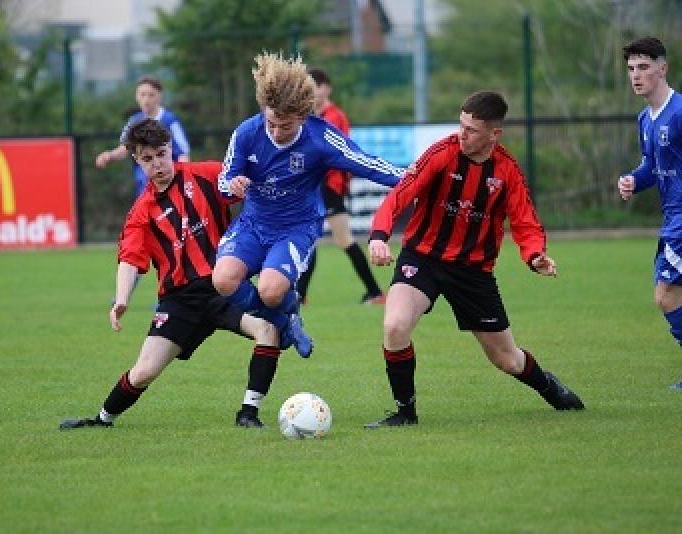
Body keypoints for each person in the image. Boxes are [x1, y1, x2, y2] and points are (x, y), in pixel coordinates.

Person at [363, 91, 585, 428]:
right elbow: (400, 195)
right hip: (423, 259)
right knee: (394, 326)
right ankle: (405, 412)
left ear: (495, 134)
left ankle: (549, 387)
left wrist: (535, 254)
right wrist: (379, 236)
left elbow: (525, 222)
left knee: (508, 360)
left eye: (472, 130)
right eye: (461, 125)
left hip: (472, 273)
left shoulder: (507, 171)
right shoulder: (442, 153)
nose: (462, 134)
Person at [60, 119, 292, 430]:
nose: (157, 164)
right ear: (136, 160)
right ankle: (102, 420)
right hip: (179, 300)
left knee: (268, 331)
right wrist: (121, 299)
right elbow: (130, 259)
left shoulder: (207, 174)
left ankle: (248, 413)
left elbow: (246, 182)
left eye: (161, 154)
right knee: (144, 372)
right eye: (147, 158)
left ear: (171, 149)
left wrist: (242, 185)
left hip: (221, 287)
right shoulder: (141, 212)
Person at [213, 53, 404, 355]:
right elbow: (225, 183)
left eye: (285, 126)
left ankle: (285, 309)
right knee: (223, 280)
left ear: (303, 116)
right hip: (253, 223)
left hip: (296, 227)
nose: (275, 132)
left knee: (271, 290)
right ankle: (285, 322)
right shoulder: (247, 132)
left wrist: (417, 179)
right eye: (271, 122)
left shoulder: (321, 137)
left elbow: (366, 163)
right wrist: (232, 187)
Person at [618, 37, 682, 390]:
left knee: (666, 295)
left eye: (644, 68)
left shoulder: (680, 112)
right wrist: (632, 180)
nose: (636, 76)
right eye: (631, 69)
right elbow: (651, 166)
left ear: (663, 68)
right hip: (672, 220)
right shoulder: (646, 118)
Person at [296, 68, 387, 305]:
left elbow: (339, 153)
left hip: (329, 184)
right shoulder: (309, 116)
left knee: (341, 238)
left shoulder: (334, 116)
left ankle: (375, 292)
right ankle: (301, 293)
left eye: (315, 86)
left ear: (326, 88)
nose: (312, 91)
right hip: (318, 185)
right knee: (316, 237)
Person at [96, 76, 191, 198]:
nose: (146, 99)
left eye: (151, 95)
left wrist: (184, 179)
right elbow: (124, 149)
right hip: (144, 189)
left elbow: (183, 154)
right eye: (142, 94)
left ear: (159, 96)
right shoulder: (133, 121)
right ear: (136, 96)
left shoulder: (170, 120)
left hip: (169, 187)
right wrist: (109, 156)